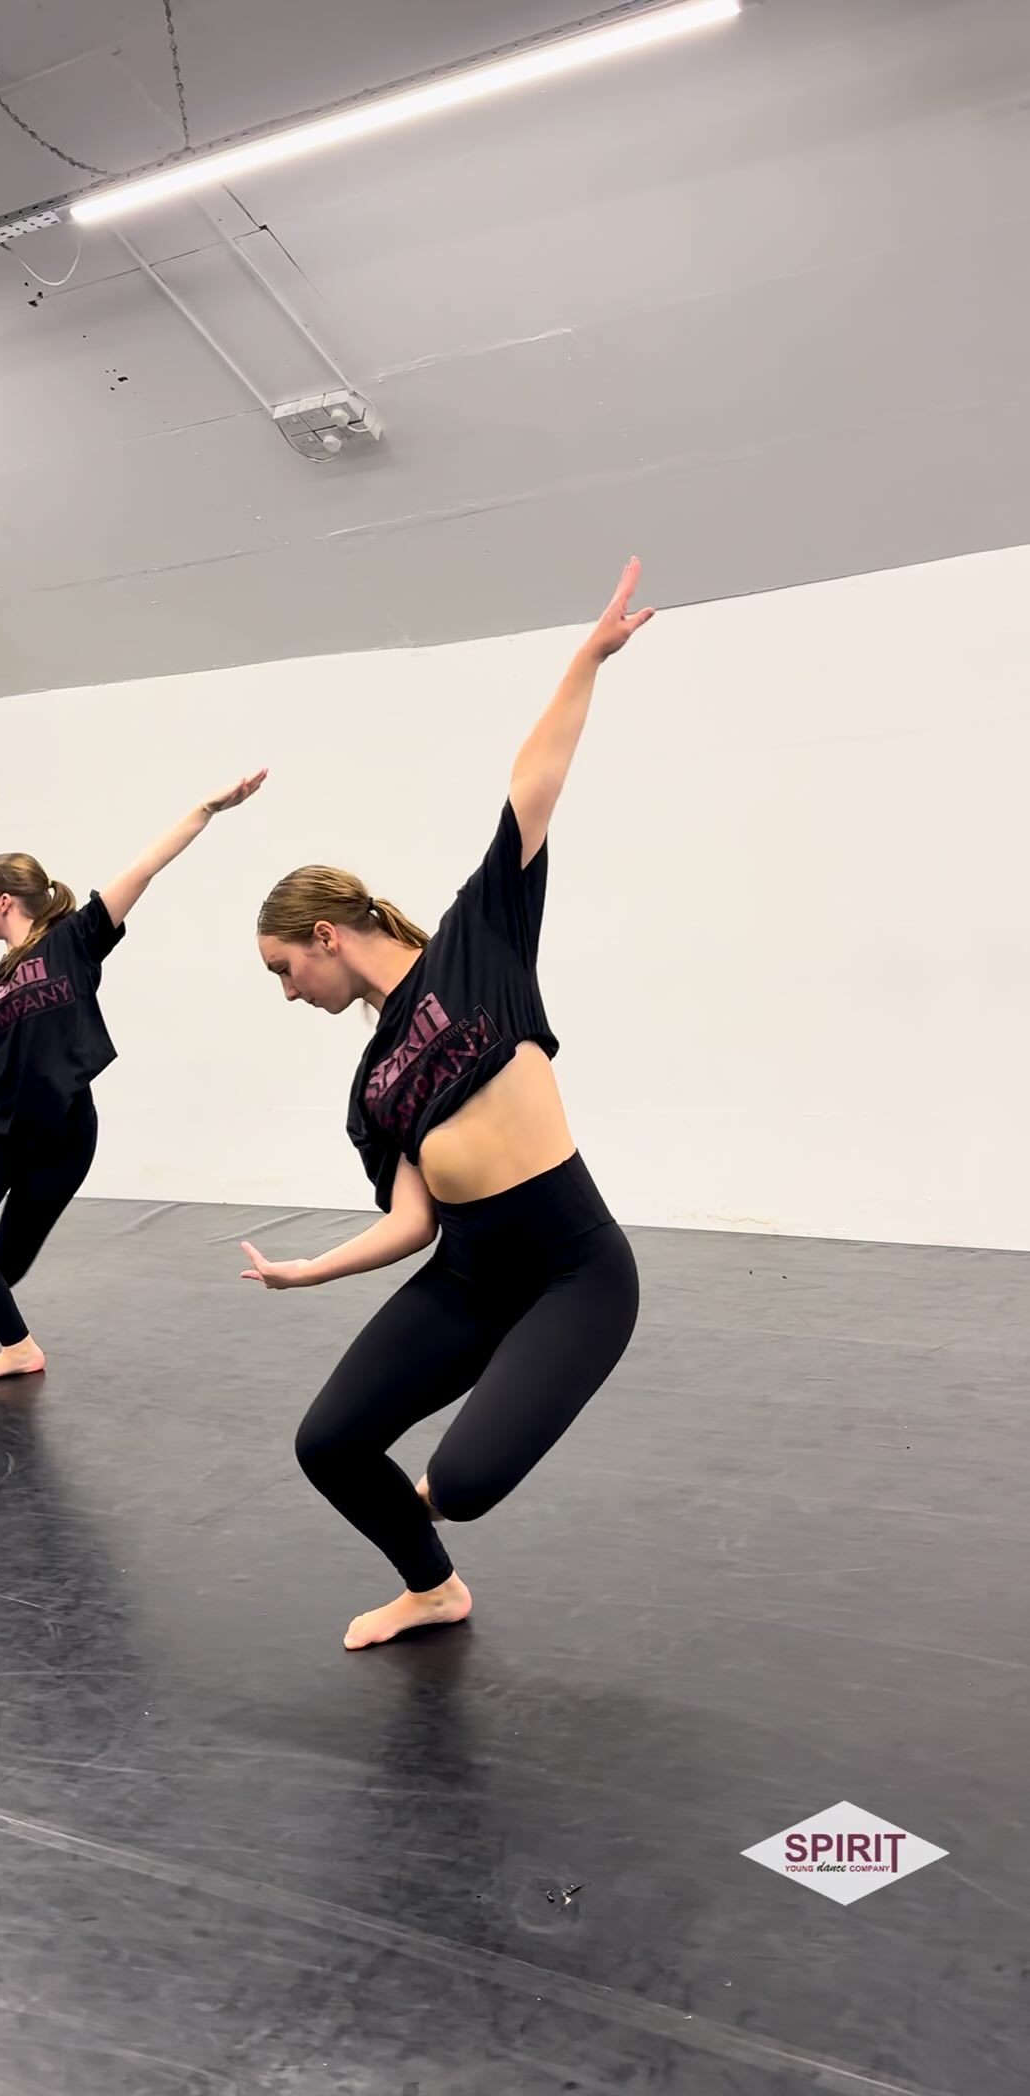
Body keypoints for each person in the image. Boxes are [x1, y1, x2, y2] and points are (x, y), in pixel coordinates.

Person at [248, 559, 653, 1650]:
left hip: (573, 1270)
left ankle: (439, 1536)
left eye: (286, 969)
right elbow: (413, 1221)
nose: (291, 993)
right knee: (329, 1441)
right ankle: (433, 1588)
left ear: (326, 936)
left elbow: (534, 782)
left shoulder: (479, 942)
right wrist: (307, 1267)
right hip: (468, 1276)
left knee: (462, 1479)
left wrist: (584, 661)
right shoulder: (372, 1082)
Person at [0, 771, 267, 1388]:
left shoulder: (74, 940)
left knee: (10, 1256)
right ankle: (19, 1346)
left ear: (5, 901)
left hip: (64, 1135)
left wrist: (206, 807)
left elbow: (144, 868)